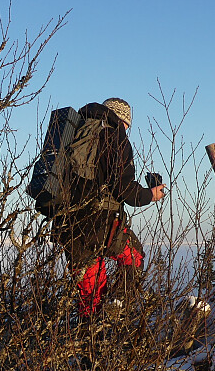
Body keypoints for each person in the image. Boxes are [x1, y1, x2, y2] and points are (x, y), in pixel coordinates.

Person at [51, 97, 166, 319]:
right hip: (101, 224)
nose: (126, 131)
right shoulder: (114, 136)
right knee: (134, 256)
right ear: (121, 120)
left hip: (68, 226)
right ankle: (117, 311)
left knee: (90, 296)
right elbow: (123, 188)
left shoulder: (75, 132)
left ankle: (88, 341)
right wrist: (149, 194)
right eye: (127, 127)